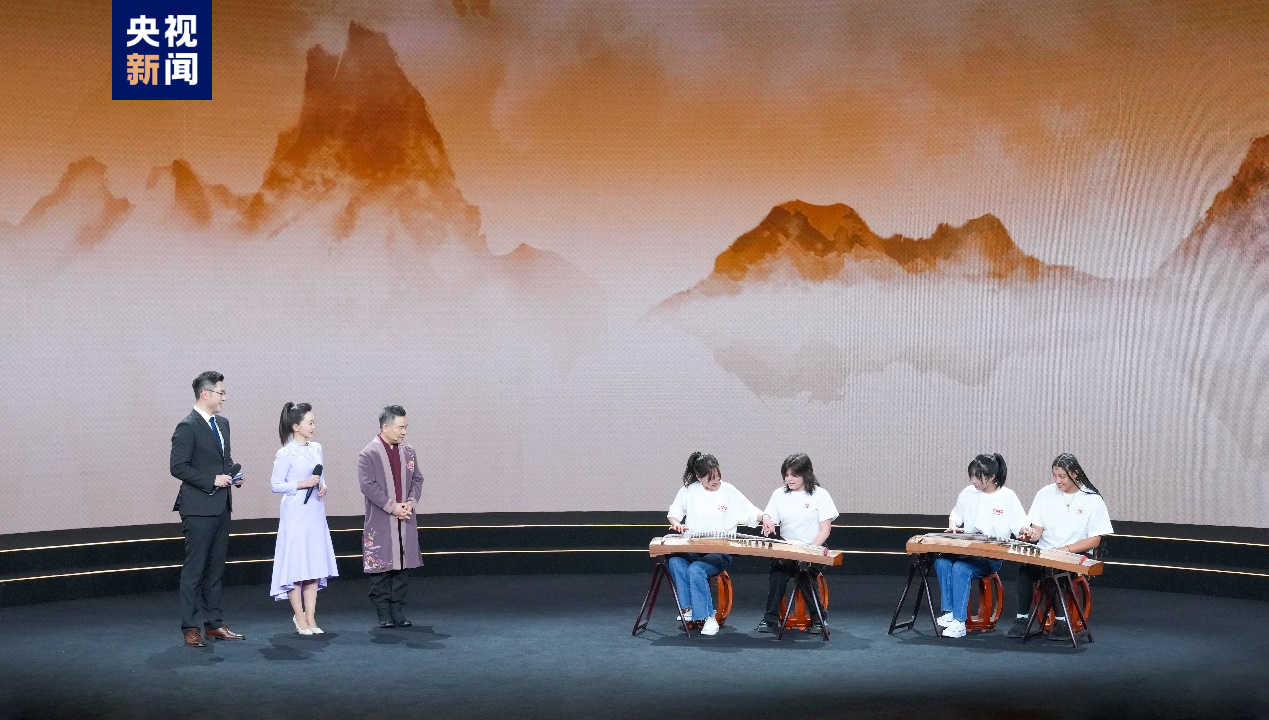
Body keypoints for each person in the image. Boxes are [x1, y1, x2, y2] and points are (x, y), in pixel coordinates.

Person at [169, 371, 245, 648]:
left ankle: (214, 624)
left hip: (221, 505)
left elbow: (223, 460)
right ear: (205, 393)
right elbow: (178, 467)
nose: (224, 397)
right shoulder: (187, 426)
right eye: (221, 393)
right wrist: (212, 479)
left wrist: (233, 474)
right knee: (195, 570)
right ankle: (190, 627)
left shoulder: (222, 424)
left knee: (215, 569)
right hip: (198, 508)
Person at [1007, 453, 1112, 639]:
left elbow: (1095, 540)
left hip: (1076, 554)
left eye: (1062, 476)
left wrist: (1065, 549)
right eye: (1054, 476)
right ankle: (1021, 620)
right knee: (1025, 571)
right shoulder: (1044, 494)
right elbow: (1038, 529)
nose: (1057, 481)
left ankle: (1062, 623)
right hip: (1047, 552)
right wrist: (1032, 534)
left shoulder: (1092, 499)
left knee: (1052, 571)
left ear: (1075, 474)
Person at [666, 452, 763, 636]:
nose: (716, 482)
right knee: (675, 562)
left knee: (696, 569)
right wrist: (677, 524)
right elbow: (674, 514)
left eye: (718, 477)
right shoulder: (689, 490)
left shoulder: (729, 491)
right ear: (699, 478)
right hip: (694, 548)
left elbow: (750, 511)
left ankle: (708, 617)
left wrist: (765, 518)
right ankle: (689, 609)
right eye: (711, 479)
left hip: (720, 552)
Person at [934, 453, 1027, 639]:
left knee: (960, 568)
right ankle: (950, 612)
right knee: (941, 562)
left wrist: (1026, 531)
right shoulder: (967, 493)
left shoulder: (1007, 496)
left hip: (990, 556)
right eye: (972, 476)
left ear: (992, 476)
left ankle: (959, 622)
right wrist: (953, 526)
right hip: (968, 550)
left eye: (978, 476)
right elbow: (955, 516)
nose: (973, 481)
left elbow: (1020, 526)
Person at [269, 402, 339, 635]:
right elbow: (275, 485)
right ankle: (299, 617)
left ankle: (311, 617)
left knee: (313, 563)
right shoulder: (285, 452)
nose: (313, 426)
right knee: (297, 564)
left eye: (314, 422)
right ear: (296, 426)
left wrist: (323, 486)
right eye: (310, 422)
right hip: (295, 511)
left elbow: (321, 476)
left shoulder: (316, 448)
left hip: (315, 511)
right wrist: (301, 484)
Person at [358, 405, 425, 628]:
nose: (404, 432)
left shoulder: (409, 452)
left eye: (406, 427)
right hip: (381, 519)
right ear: (385, 427)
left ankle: (397, 610)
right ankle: (383, 612)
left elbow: (417, 479)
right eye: (399, 427)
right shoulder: (369, 453)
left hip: (405, 517)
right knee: (381, 567)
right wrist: (392, 507)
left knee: (402, 567)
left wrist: (410, 504)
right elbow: (368, 486)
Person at [755, 453, 839, 634]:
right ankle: (770, 619)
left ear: (806, 474)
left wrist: (808, 551)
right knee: (778, 570)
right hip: (788, 548)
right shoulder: (779, 494)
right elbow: (769, 515)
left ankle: (819, 620)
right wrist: (767, 519)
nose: (789, 479)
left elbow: (825, 531)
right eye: (786, 475)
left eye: (794, 475)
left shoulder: (820, 495)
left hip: (813, 548)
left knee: (804, 570)